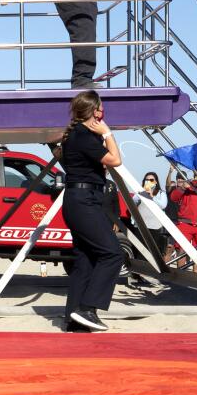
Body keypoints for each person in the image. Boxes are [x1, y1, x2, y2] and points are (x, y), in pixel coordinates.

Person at [51, 92, 126, 332]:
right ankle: (88, 309)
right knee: (113, 253)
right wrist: (107, 133)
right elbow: (115, 160)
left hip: (81, 199)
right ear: (94, 111)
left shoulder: (78, 135)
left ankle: (74, 317)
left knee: (85, 259)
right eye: (101, 108)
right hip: (83, 201)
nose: (103, 112)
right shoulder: (84, 136)